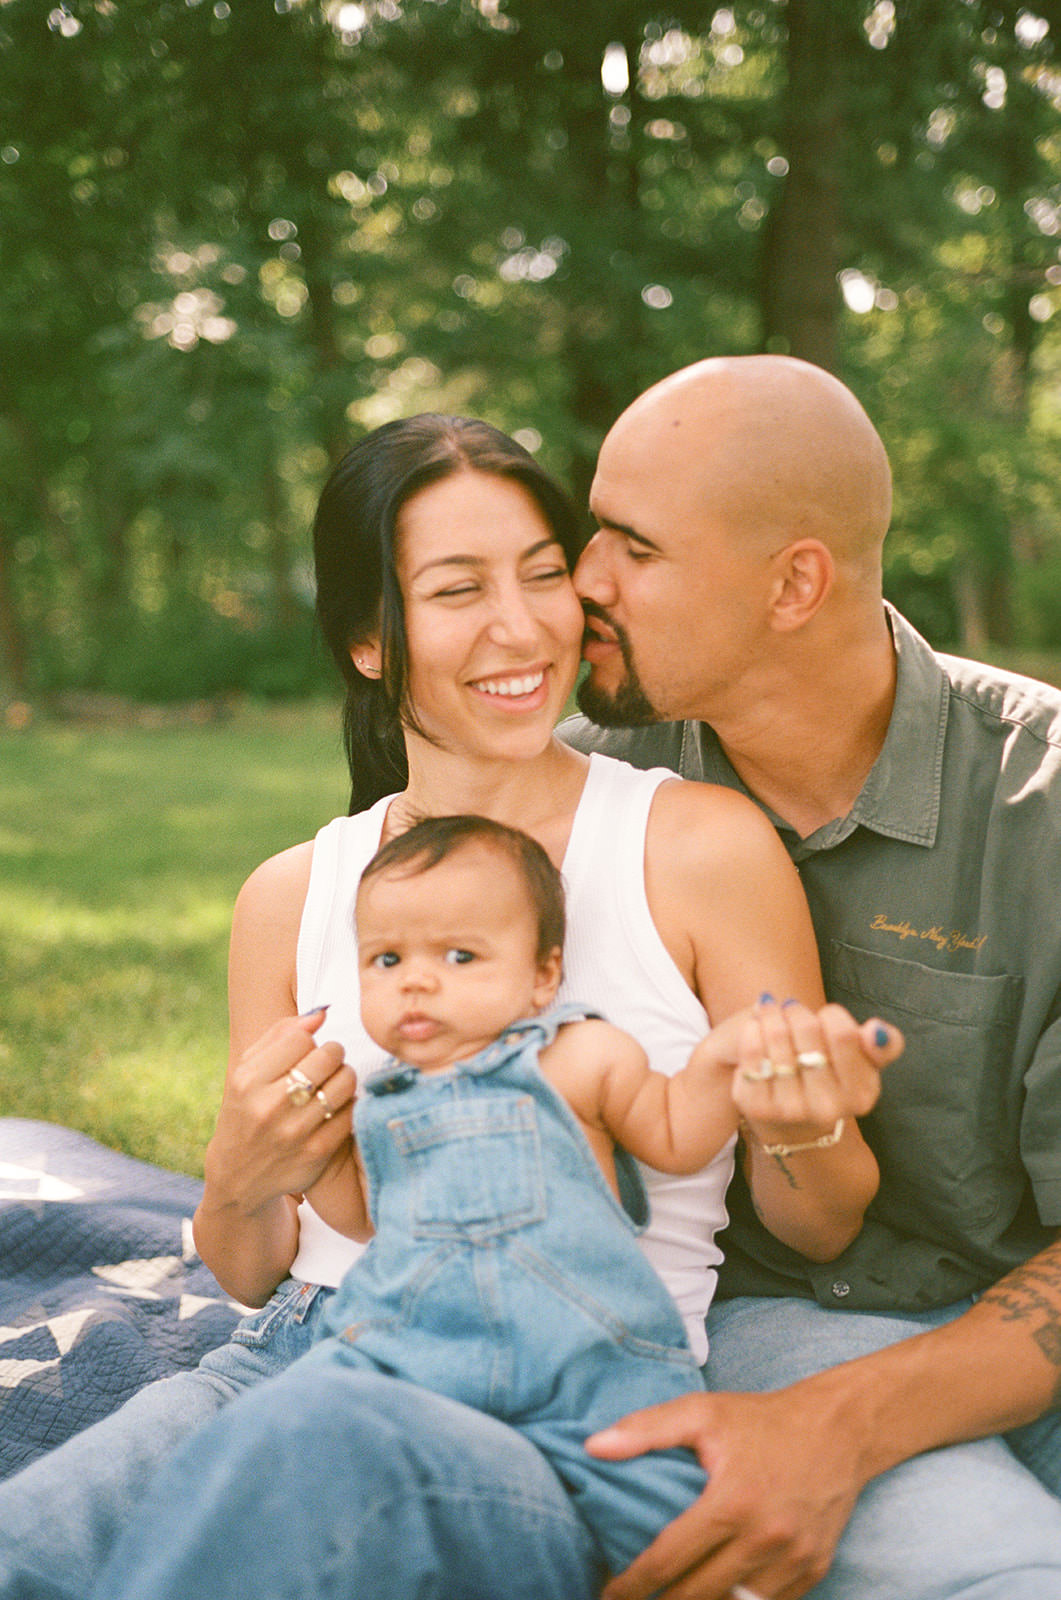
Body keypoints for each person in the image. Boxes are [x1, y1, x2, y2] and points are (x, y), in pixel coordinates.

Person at [0, 413, 891, 1600]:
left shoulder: (693, 847)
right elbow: (250, 1271)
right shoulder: (291, 895)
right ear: (370, 641)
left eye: (541, 575)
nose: (518, 626)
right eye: (457, 589)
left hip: (553, 1414)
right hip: (299, 1353)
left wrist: (799, 1117)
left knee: (307, 1461)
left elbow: (821, 1225)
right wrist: (237, 1177)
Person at [556, 352, 1061, 1599]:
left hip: (1012, 1336)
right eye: (592, 530)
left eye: (634, 546)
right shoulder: (577, 795)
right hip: (759, 1323)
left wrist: (838, 1427)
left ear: (793, 584)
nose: (581, 579)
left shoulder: (1040, 805)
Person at [231, 810, 895, 1580]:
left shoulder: (580, 1056)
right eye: (385, 959)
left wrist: (723, 1061)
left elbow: (676, 1135)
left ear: (543, 977)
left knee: (653, 1512)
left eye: (459, 955)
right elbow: (365, 1219)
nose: (414, 979)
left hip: (586, 1355)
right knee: (306, 1446)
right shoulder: (382, 1101)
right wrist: (312, 1159)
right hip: (421, 1351)